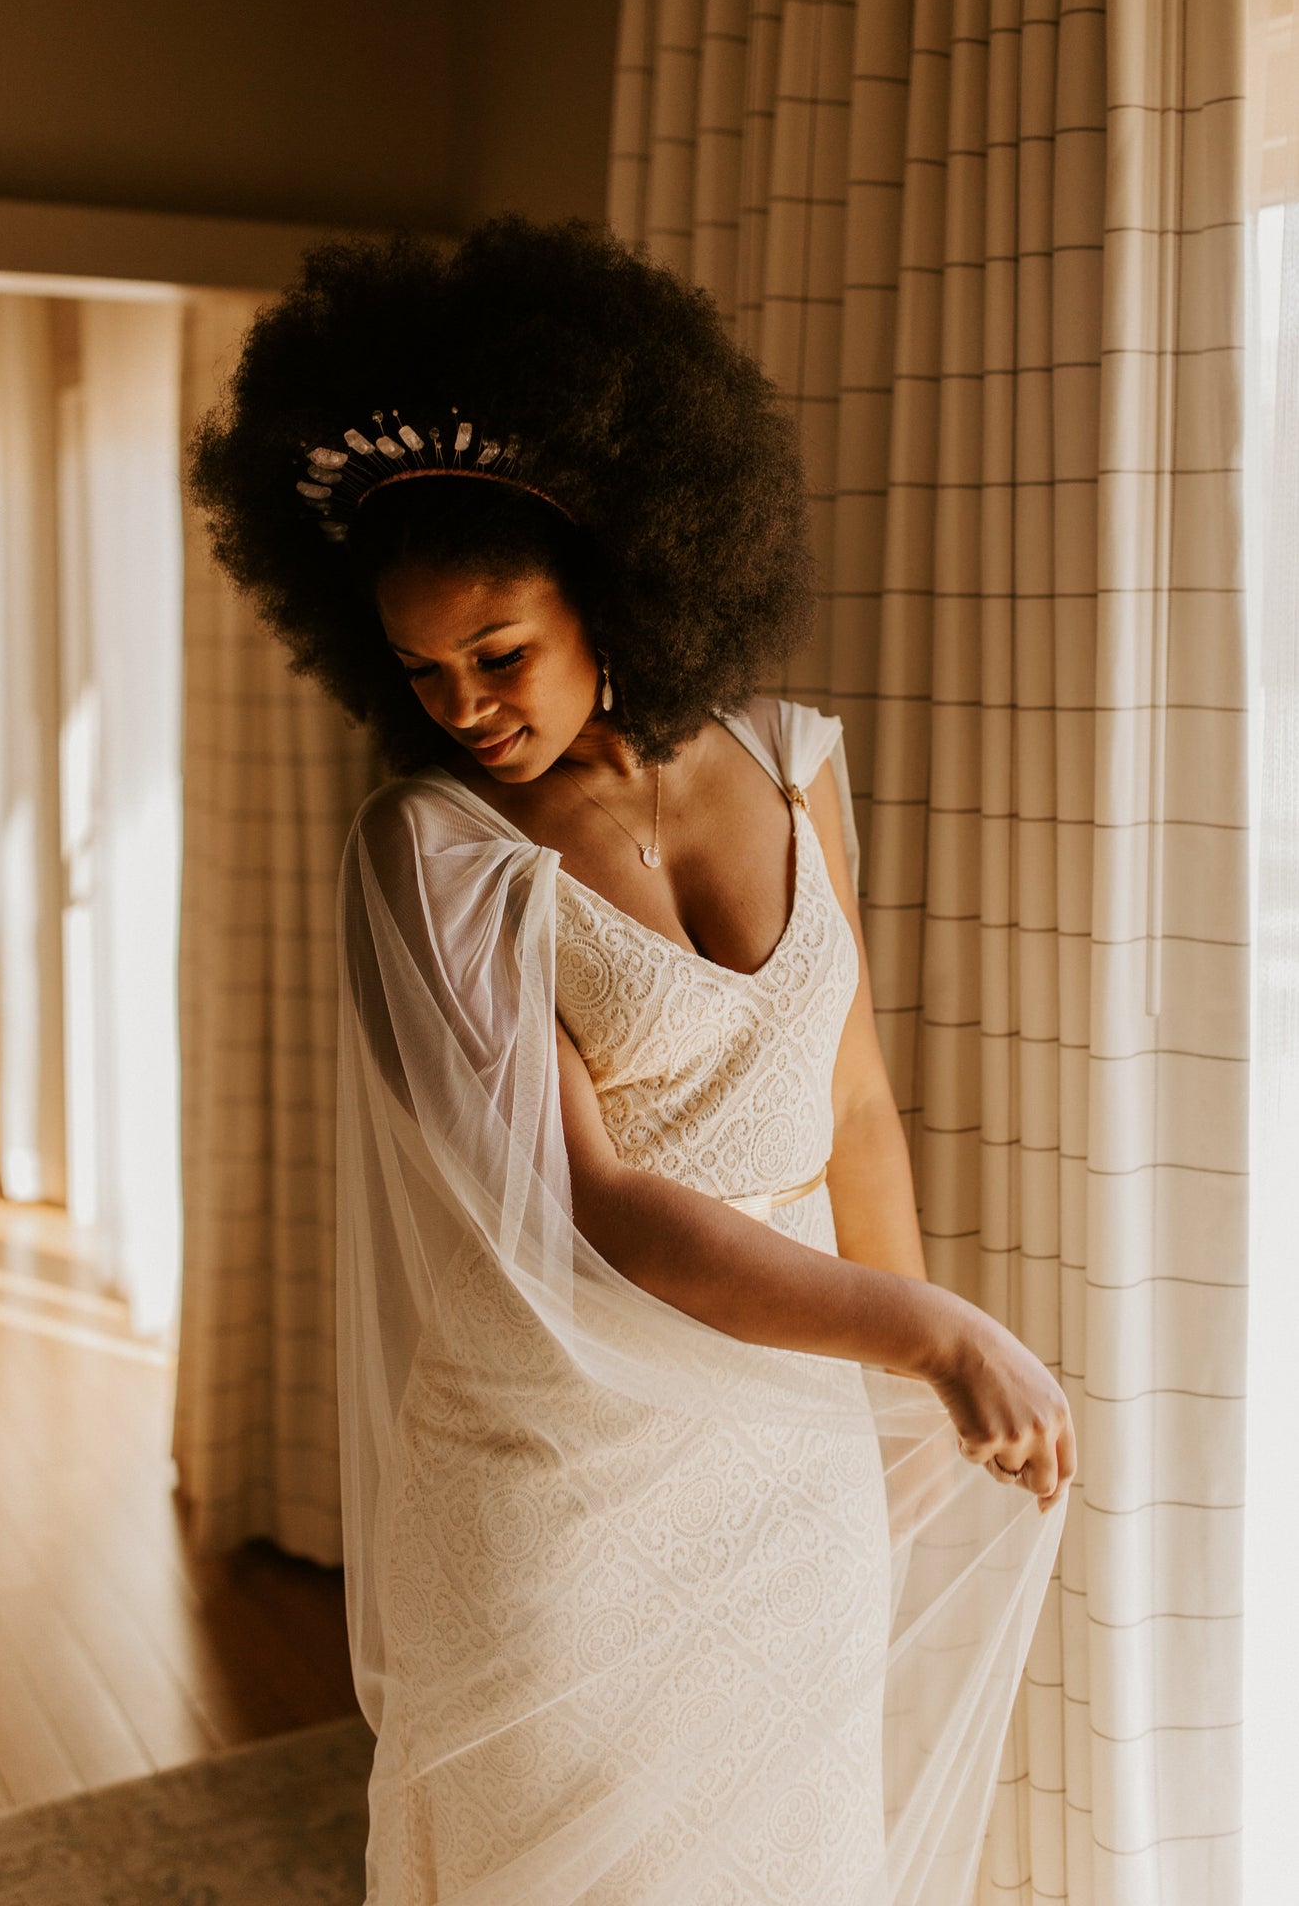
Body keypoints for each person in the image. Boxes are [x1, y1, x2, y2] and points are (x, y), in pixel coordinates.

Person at [189, 214, 1075, 1905]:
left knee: (782, 1850)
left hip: (794, 1448)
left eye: (498, 651)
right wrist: (930, 1329)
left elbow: (851, 1102)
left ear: (614, 578)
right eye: (420, 670)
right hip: (563, 1479)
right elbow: (591, 1204)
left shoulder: (793, 760)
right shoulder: (431, 856)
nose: (463, 706)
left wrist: (895, 1408)